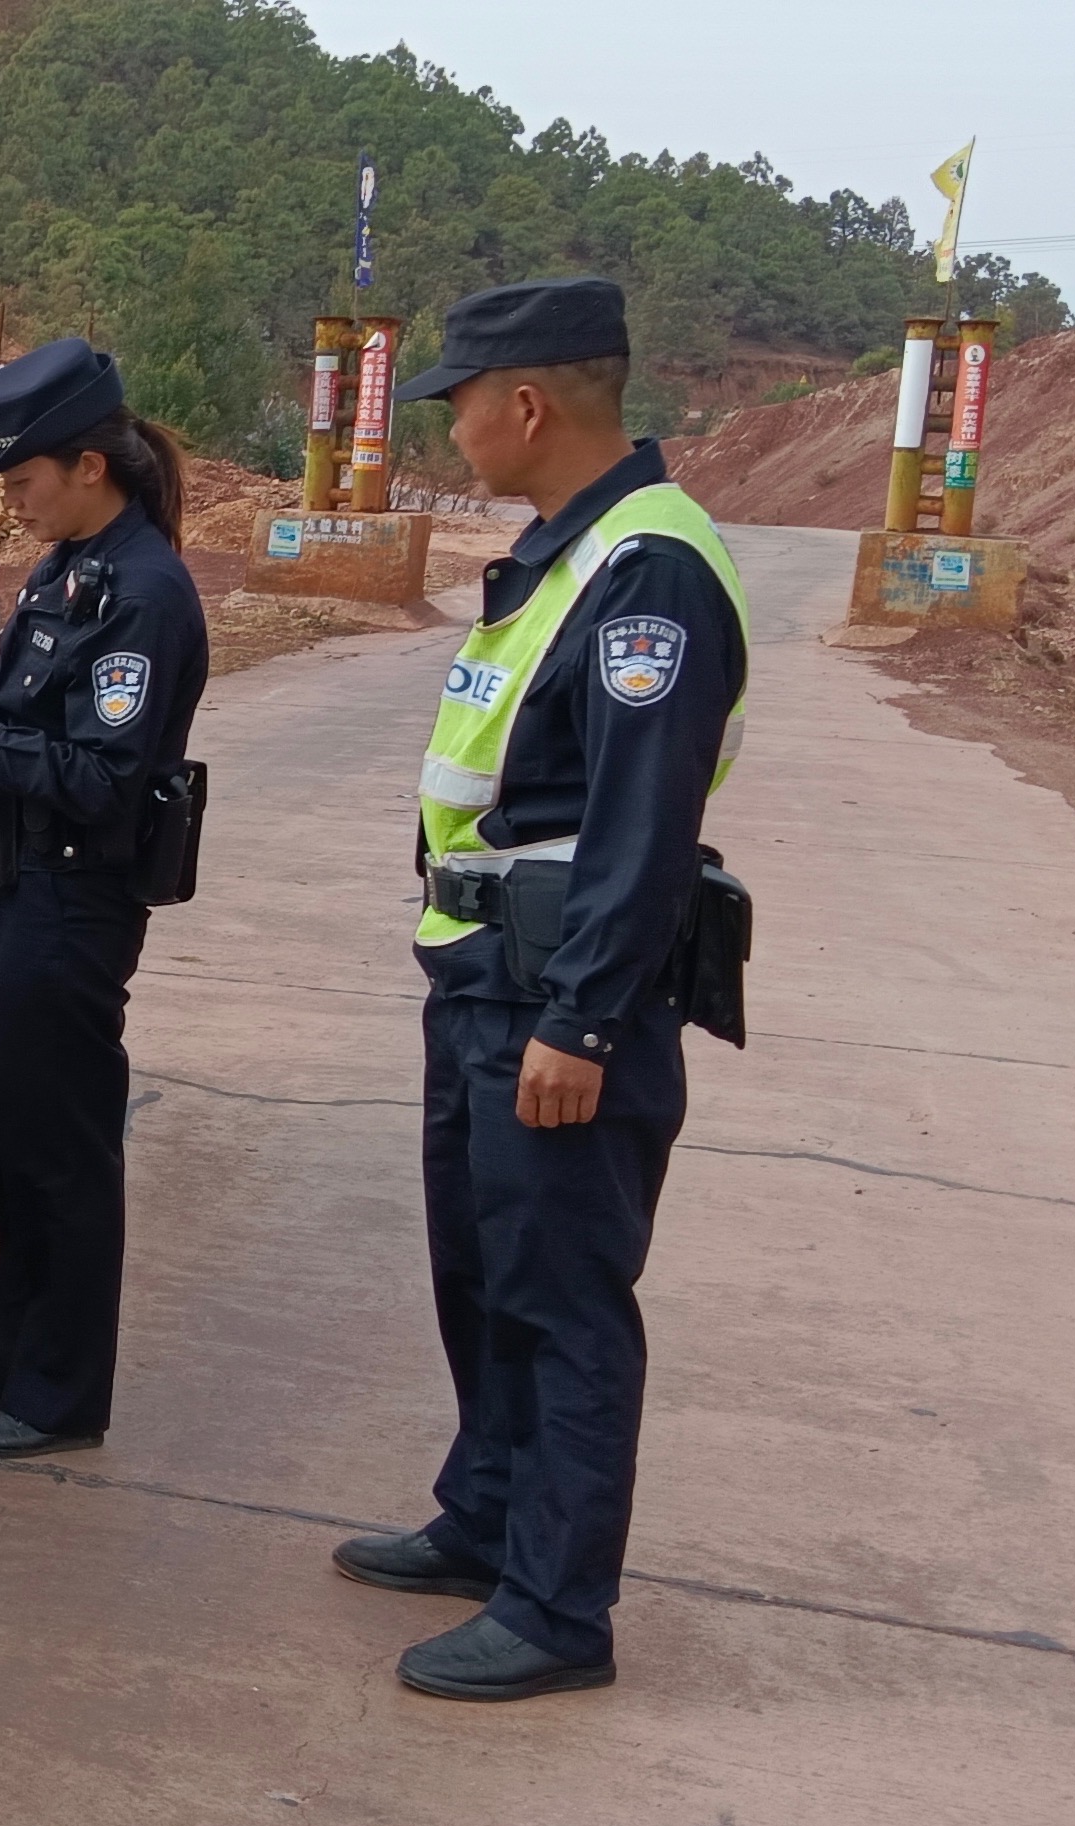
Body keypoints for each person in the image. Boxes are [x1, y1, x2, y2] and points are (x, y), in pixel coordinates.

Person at [329, 278, 750, 1701]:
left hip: (559, 999)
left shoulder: (649, 570)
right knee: (484, 1273)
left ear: (525, 404)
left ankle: (559, 1609)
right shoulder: (566, 553)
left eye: (458, 405)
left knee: (563, 1300)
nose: (449, 431)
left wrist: (584, 1021)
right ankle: (488, 1515)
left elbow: (641, 825)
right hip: (483, 981)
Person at [0, 338, 208, 1460]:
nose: (11, 503)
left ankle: (63, 1394)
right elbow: (34, 708)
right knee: (14, 1137)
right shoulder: (73, 567)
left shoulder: (145, 593)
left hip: (77, 900)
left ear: (87, 467)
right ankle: (8, 1351)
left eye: (22, 481)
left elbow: (105, 779)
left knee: (65, 1150)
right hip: (17, 880)